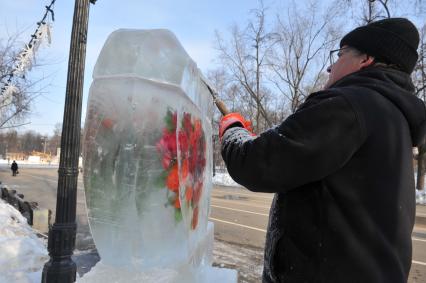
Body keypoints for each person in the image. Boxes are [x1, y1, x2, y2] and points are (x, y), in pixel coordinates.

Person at [219, 18, 426, 282]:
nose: (330, 65)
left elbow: (257, 163)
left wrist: (232, 129)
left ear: (366, 59)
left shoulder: (349, 105)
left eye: (340, 55)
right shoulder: (394, 120)